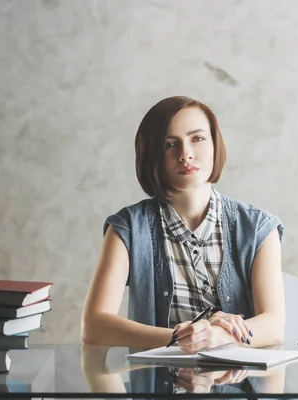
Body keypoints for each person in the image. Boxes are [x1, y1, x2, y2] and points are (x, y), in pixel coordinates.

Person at [81, 96, 285, 354]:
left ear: (215, 145)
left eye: (197, 138)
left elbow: (274, 327)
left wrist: (216, 335)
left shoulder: (257, 227)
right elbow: (94, 327)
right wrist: (185, 337)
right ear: (152, 155)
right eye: (169, 144)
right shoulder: (128, 228)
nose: (185, 154)